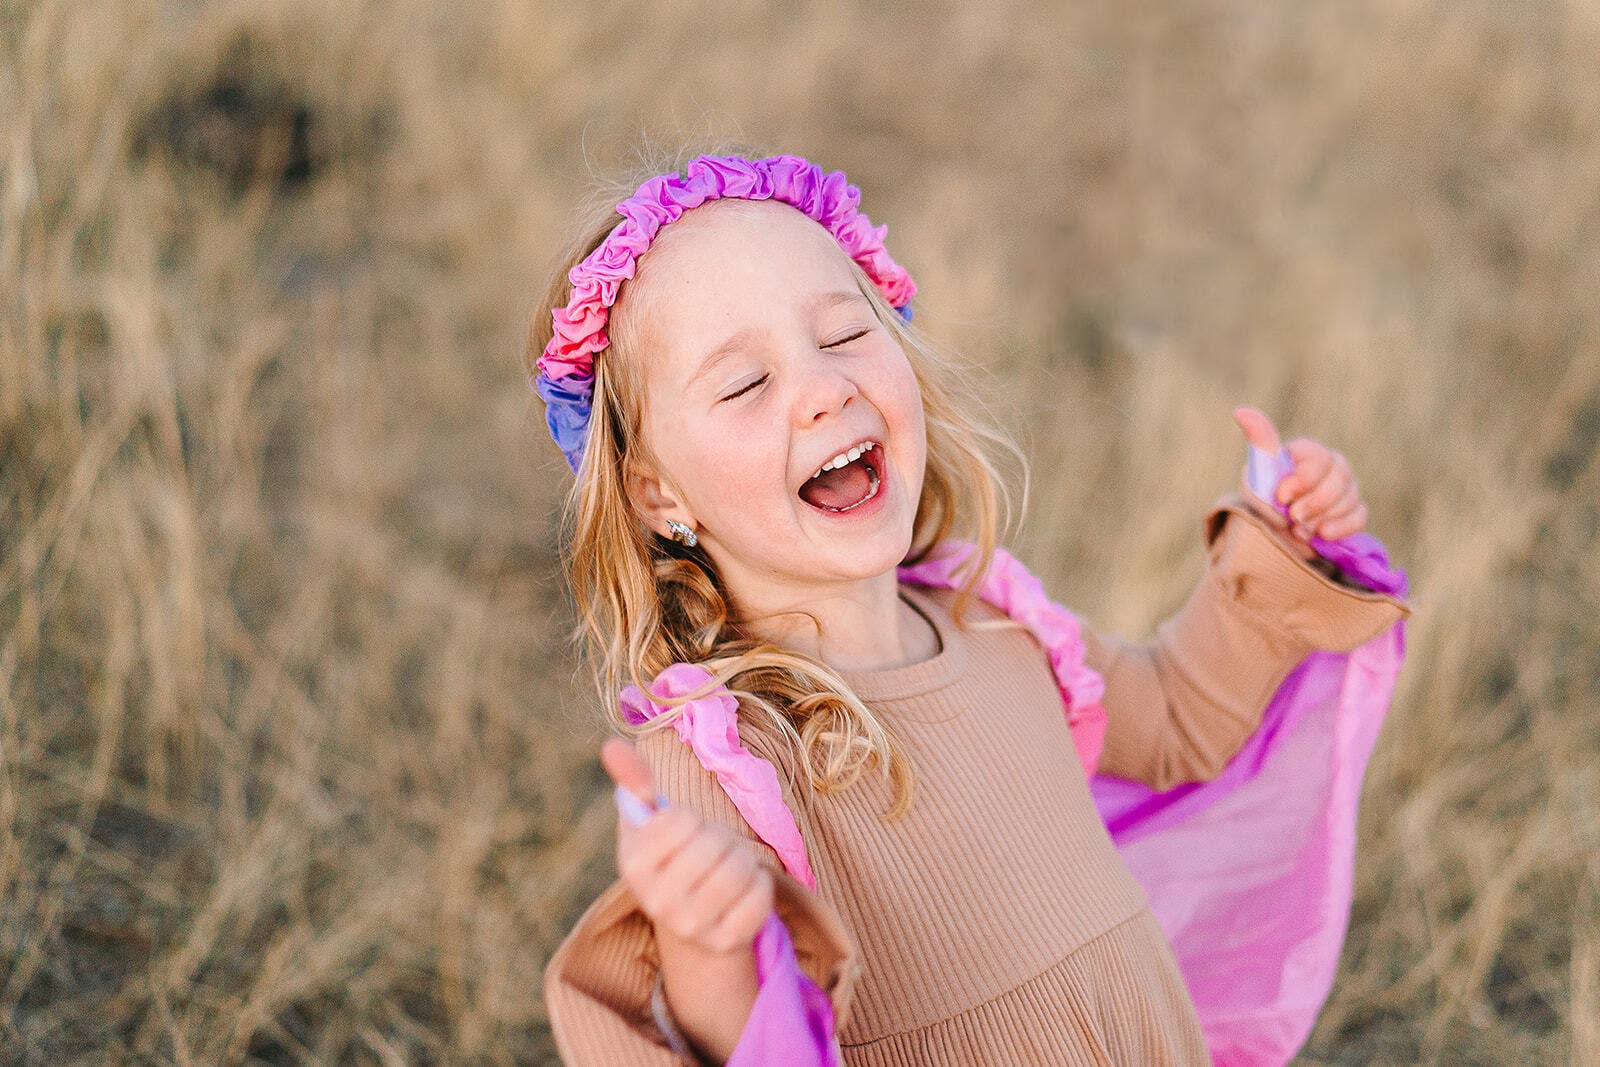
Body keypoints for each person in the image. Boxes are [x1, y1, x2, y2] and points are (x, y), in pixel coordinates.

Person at [531, 149, 1413, 1065]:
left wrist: (1272, 549)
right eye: (746, 383)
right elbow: (756, 1042)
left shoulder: (994, 616)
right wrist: (705, 940)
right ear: (656, 494)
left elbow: (1180, 722)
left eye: (844, 335)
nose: (825, 390)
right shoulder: (728, 749)